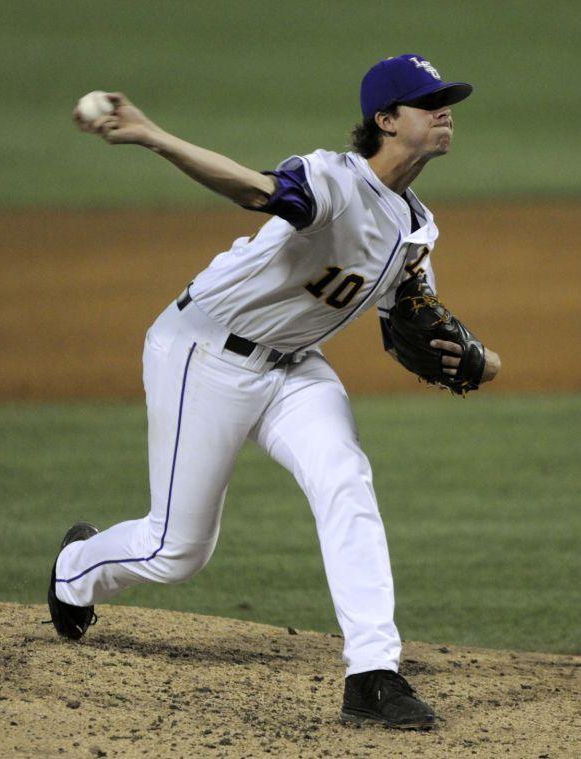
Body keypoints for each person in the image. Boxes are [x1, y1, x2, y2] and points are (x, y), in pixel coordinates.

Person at [48, 53, 500, 730]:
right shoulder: (332, 180)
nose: (444, 111)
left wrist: (483, 361)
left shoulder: (416, 227)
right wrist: (155, 136)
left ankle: (372, 672)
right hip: (201, 350)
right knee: (177, 549)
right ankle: (76, 567)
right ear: (384, 120)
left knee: (344, 476)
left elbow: (409, 320)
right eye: (426, 101)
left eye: (446, 100)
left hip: (293, 368)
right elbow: (256, 191)